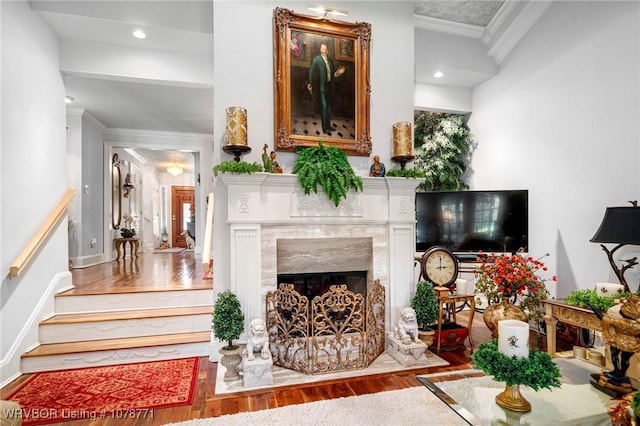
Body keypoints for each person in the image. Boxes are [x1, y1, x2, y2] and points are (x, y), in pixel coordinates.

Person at [307, 43, 345, 135]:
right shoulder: (316, 60)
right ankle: (324, 128)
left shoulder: (331, 61)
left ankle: (328, 126)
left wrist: (338, 73)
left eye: (326, 49)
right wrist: (310, 83)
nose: (325, 50)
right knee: (324, 106)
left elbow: (332, 74)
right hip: (321, 87)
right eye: (323, 49)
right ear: (320, 50)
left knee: (328, 107)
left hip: (329, 86)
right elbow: (311, 72)